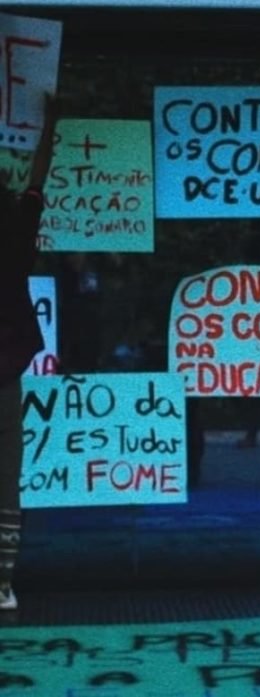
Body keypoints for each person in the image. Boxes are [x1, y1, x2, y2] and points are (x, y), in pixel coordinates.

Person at [0, 93, 57, 611]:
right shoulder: (15, 234)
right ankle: (2, 584)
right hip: (4, 374)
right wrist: (50, 124)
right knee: (6, 483)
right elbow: (37, 181)